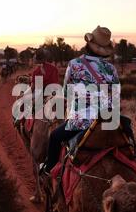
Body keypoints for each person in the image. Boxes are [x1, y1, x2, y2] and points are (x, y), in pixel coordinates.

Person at [40, 26, 120, 175]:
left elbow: (66, 93)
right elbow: (115, 98)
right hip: (109, 121)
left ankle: (49, 170)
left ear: (88, 44)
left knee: (55, 137)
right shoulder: (111, 69)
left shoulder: (74, 64)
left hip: (81, 122)